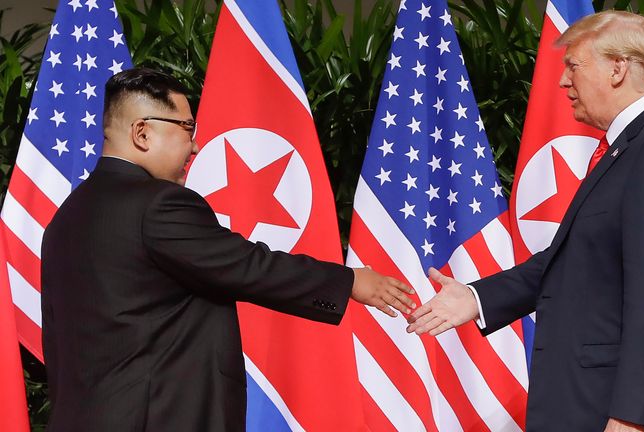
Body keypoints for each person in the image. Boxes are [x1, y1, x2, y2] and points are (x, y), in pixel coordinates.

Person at [41, 67, 416, 431]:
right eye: (188, 128)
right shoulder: (158, 205)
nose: (195, 144)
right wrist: (348, 281)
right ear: (142, 132)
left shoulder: (64, 219)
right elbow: (249, 265)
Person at [406, 11, 644, 432]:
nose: (562, 81)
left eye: (574, 65)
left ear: (618, 68)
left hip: (634, 414)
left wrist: (631, 417)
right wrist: (476, 299)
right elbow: (572, 258)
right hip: (595, 401)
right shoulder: (630, 148)